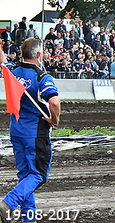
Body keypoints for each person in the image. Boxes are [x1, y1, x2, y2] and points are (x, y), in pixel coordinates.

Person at [0, 38, 60, 222]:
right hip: (35, 133)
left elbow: (2, 62)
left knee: (26, 176)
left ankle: (30, 219)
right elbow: (54, 101)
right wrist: (54, 119)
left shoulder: (12, 70)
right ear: (39, 55)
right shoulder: (42, 77)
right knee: (38, 175)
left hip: (16, 130)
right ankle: (8, 203)